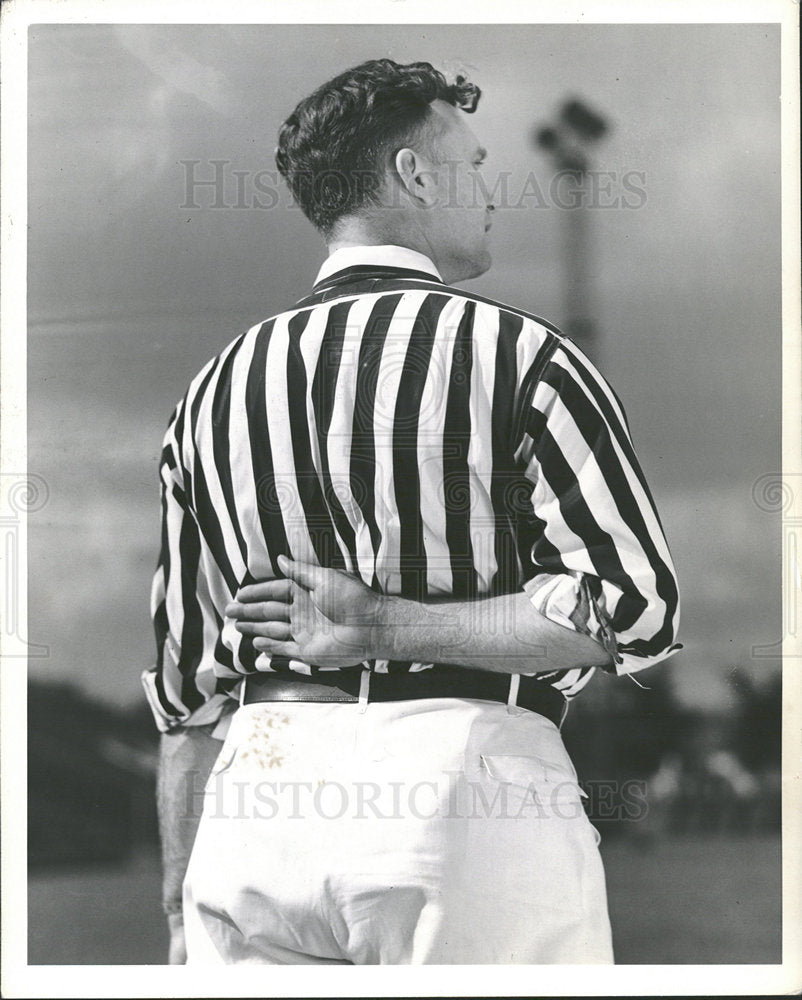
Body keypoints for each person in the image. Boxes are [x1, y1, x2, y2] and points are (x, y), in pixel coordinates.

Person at [144, 58, 681, 965]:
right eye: (471, 164)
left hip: (251, 811)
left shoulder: (210, 389)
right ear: (414, 174)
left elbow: (184, 691)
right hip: (461, 796)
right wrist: (384, 621)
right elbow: (633, 609)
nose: (489, 190)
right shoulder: (523, 355)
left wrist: (175, 894)